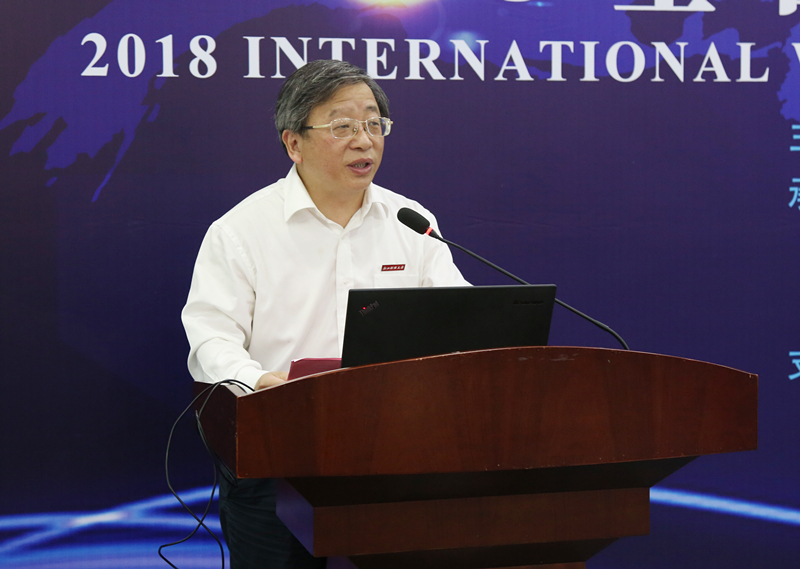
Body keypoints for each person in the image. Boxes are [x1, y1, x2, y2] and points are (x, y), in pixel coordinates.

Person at [181, 59, 467, 568]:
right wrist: (260, 382)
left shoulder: (412, 223)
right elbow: (211, 339)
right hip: (277, 450)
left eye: (374, 124)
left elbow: (460, 319)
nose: (364, 141)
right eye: (343, 127)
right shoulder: (241, 231)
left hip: (393, 451)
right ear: (294, 143)